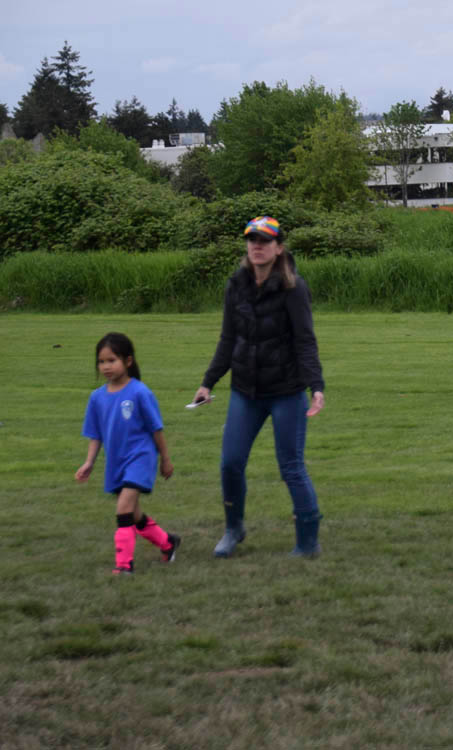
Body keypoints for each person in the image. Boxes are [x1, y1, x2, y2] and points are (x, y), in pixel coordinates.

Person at [193, 216, 326, 559]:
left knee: (290, 466)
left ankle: (308, 541)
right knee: (230, 463)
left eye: (265, 241)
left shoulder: (294, 288)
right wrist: (208, 382)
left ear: (279, 248)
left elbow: (305, 341)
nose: (257, 246)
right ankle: (233, 528)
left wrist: (316, 387)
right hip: (245, 391)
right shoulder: (235, 285)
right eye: (252, 240)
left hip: (286, 391)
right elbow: (227, 338)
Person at [76, 333, 179, 574]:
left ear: (128, 361)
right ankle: (168, 543)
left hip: (140, 459)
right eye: (101, 362)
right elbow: (96, 434)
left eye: (112, 360)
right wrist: (89, 462)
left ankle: (124, 566)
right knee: (133, 513)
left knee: (123, 509)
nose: (106, 366)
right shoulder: (97, 398)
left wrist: (165, 459)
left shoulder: (140, 392)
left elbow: (156, 429)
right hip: (116, 462)